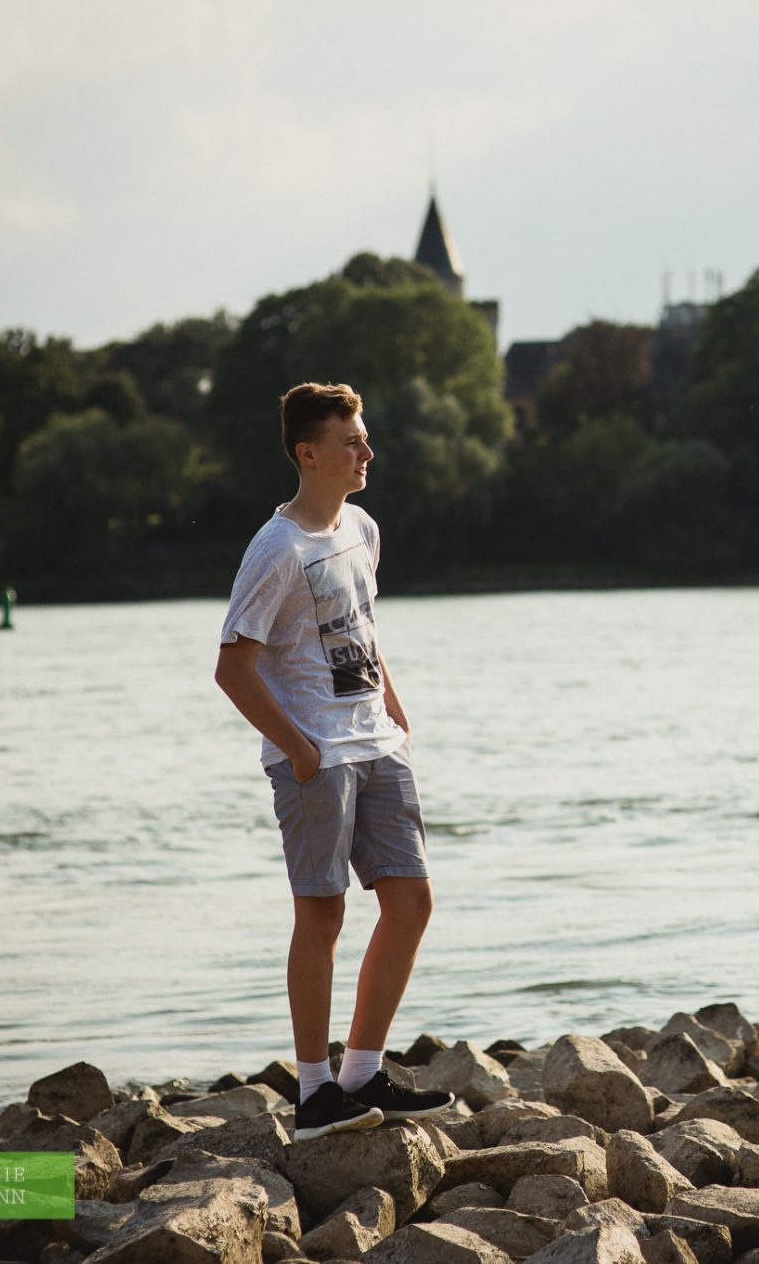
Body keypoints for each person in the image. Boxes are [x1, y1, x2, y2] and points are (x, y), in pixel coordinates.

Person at [214, 382, 454, 1141]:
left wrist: (395, 707)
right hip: (316, 756)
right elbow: (232, 666)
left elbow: (365, 630)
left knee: (411, 902)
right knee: (322, 914)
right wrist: (300, 751)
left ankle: (361, 1072)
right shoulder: (276, 549)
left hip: (376, 742)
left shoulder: (363, 529)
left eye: (366, 437)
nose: (366, 453)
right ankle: (314, 1093)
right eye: (352, 442)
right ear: (307, 453)